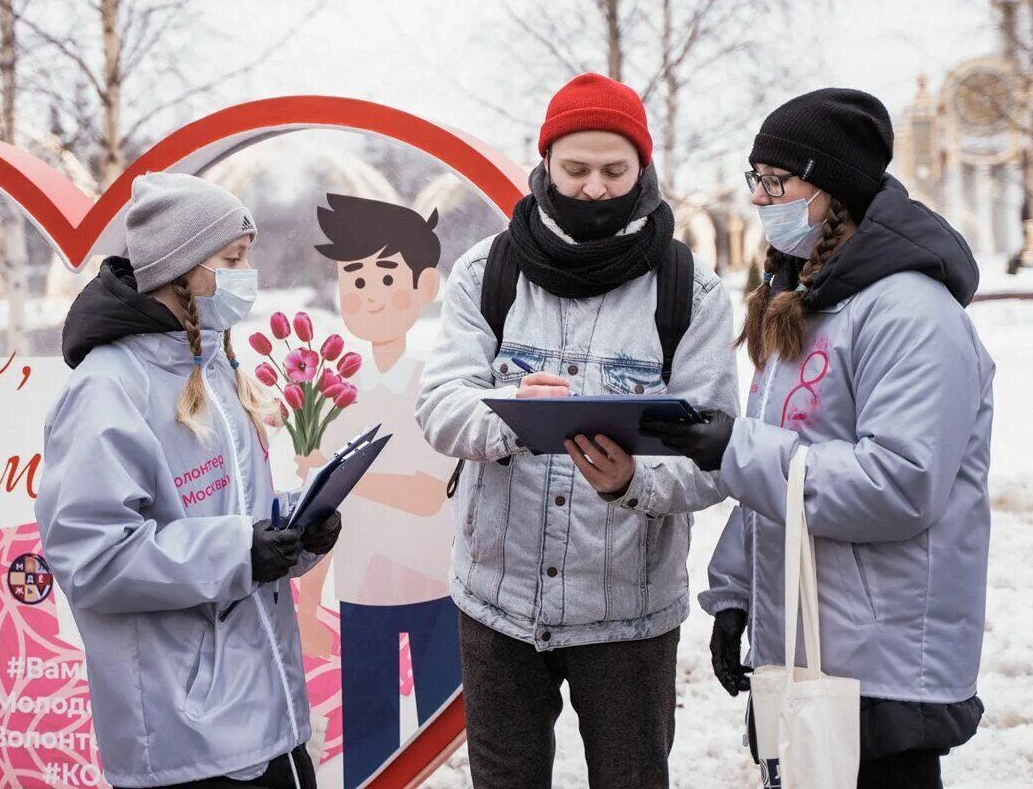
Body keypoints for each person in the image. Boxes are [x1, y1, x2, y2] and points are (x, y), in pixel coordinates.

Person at [644, 88, 993, 789]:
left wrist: (731, 448)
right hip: (802, 644)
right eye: (758, 181)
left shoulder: (910, 313)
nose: (763, 199)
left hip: (884, 661)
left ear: (832, 188)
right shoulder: (804, 305)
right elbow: (780, 472)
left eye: (779, 182)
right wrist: (736, 593)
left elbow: (900, 485)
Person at [415, 73, 739, 789]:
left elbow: (714, 456)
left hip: (628, 614)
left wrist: (633, 482)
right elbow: (438, 403)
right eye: (577, 169)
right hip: (495, 602)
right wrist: (507, 415)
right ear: (547, 166)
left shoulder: (692, 292)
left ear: (643, 171)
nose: (595, 187)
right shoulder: (486, 271)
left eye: (614, 170)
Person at [36, 172, 343, 789]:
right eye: (232, 259)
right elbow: (91, 558)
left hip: (269, 718)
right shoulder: (109, 387)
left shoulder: (213, 368)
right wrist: (240, 551)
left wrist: (296, 529)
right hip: (185, 737)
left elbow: (233, 514)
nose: (246, 274)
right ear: (178, 271)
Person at [293, 194, 461, 787]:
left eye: (385, 275)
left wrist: (342, 475)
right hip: (362, 596)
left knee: (447, 734)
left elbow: (427, 494)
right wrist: (309, 600)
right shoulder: (331, 397)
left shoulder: (437, 388)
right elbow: (325, 517)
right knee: (369, 741)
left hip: (437, 592)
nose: (367, 292)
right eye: (353, 277)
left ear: (426, 285)